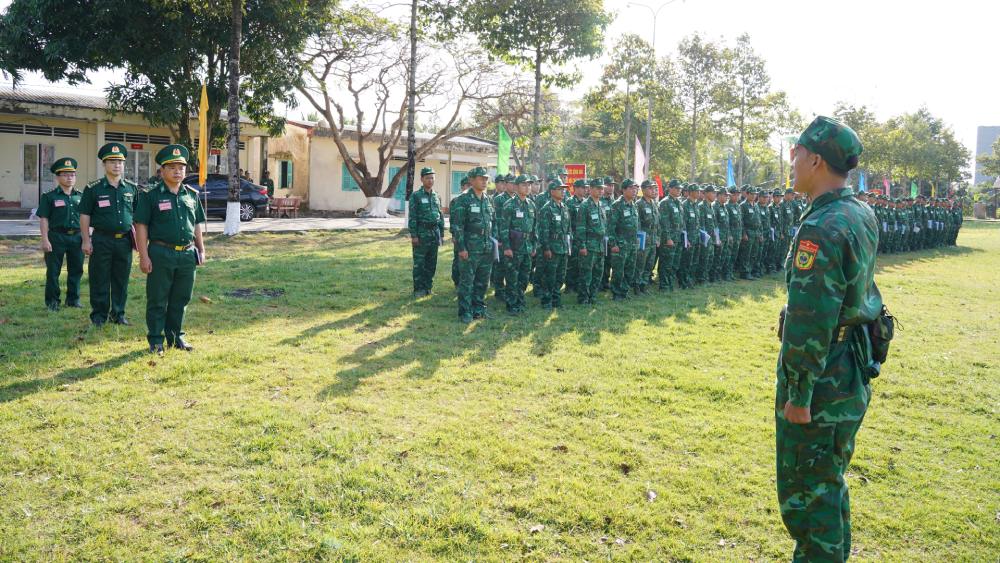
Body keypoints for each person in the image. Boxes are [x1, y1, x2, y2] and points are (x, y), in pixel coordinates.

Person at [776, 116, 881, 563]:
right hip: (849, 366)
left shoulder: (821, 227)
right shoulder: (858, 213)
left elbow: (811, 320)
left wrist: (798, 395)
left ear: (816, 160)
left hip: (823, 378)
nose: (792, 160)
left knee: (808, 495)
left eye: (797, 152)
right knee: (828, 483)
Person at [134, 145, 207, 354]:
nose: (177, 171)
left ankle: (176, 337)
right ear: (162, 170)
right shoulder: (150, 195)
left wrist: (201, 249)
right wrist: (143, 256)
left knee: (181, 298)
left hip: (187, 253)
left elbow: (196, 224)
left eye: (181, 167)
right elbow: (141, 226)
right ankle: (156, 340)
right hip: (161, 253)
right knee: (158, 299)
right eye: (172, 167)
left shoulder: (191, 195)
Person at [79, 142, 138, 326]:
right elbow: (85, 215)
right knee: (99, 278)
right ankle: (99, 315)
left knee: (121, 279)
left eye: (120, 162)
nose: (116, 165)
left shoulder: (131, 188)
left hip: (124, 241)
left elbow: (137, 216)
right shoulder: (93, 188)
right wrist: (86, 240)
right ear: (104, 164)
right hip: (101, 240)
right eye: (112, 161)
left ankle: (118, 314)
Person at [37, 157, 84, 311]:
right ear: (57, 177)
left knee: (76, 270)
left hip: (77, 237)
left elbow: (86, 217)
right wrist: (45, 239)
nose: (70, 177)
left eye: (72, 174)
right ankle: (52, 302)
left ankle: (73, 300)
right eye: (65, 174)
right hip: (56, 237)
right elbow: (44, 218)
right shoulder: (49, 196)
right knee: (53, 271)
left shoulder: (81, 196)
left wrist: (87, 237)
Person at [450, 167, 496, 323]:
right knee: (467, 282)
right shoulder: (462, 199)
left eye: (486, 179)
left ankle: (479, 310)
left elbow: (492, 222)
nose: (484, 181)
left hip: (486, 247)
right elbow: (457, 226)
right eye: (481, 178)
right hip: (470, 248)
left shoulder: (488, 199)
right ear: (471, 180)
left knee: (482, 282)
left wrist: (493, 243)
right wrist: (461, 248)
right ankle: (465, 312)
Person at [499, 175, 536, 314]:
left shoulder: (531, 204)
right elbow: (504, 228)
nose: (527, 187)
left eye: (529, 185)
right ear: (516, 187)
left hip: (527, 246)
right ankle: (511, 304)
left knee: (524, 277)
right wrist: (506, 247)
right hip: (514, 246)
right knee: (512, 277)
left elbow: (535, 227)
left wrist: (533, 245)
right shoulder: (509, 205)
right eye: (524, 185)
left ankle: (520, 300)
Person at [408, 167, 445, 298]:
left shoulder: (437, 196)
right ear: (422, 179)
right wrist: (414, 235)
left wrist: (442, 234)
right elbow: (412, 217)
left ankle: (428, 287)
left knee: (431, 263)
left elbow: (440, 216)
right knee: (419, 263)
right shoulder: (416, 196)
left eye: (432, 178)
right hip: (421, 233)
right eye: (428, 178)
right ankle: (418, 289)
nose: (430, 180)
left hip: (434, 234)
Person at [536, 180, 571, 310]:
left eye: (563, 189)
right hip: (552, 247)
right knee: (549, 276)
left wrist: (568, 245)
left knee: (560, 276)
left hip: (563, 246)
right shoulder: (547, 209)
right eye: (559, 189)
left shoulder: (564, 207)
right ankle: (547, 301)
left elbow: (568, 229)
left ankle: (556, 300)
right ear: (552, 191)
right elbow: (543, 231)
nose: (563, 191)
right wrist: (546, 248)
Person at [575, 178, 607, 304]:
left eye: (602, 188)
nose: (601, 191)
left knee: (598, 273)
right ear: (591, 189)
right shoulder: (585, 206)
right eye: (598, 188)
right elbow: (580, 228)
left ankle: (593, 297)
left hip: (600, 245)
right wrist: (582, 246)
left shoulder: (601, 205)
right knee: (586, 273)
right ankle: (583, 298)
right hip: (589, 245)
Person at [607, 179, 640, 300]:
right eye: (631, 188)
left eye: (635, 188)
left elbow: (636, 225)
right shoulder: (617, 205)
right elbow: (610, 227)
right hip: (620, 245)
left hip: (632, 244)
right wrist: (613, 244)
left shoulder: (634, 205)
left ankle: (624, 292)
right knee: (618, 271)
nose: (634, 191)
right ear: (624, 190)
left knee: (629, 270)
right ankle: (616, 293)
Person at [656, 179, 684, 291]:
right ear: (670, 189)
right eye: (676, 188)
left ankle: (670, 283)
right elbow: (664, 223)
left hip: (678, 238)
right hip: (669, 239)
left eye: (680, 188)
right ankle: (664, 285)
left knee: (674, 263)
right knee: (666, 263)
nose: (679, 190)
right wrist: (668, 238)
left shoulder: (679, 202)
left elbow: (681, 221)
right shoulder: (665, 202)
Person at [635, 180, 660, 293]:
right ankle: (637, 286)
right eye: (650, 188)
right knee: (640, 264)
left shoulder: (654, 204)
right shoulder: (639, 204)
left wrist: (658, 238)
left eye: (654, 188)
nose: (653, 190)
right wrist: (639, 240)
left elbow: (657, 224)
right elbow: (637, 224)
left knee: (649, 265)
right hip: (643, 241)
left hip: (653, 241)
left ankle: (644, 286)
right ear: (643, 190)